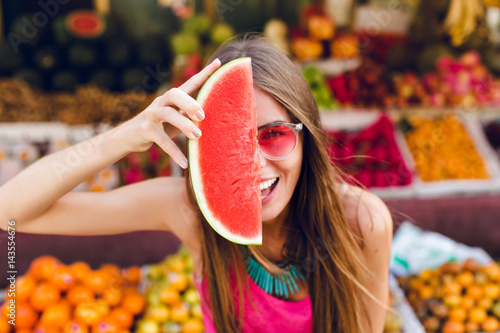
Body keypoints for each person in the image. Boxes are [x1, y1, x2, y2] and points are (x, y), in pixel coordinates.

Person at [0, 35, 393, 333]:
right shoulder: (187, 209)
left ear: (307, 136)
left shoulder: (362, 222)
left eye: (274, 135)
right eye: (230, 142)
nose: (255, 164)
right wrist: (127, 135)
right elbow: (11, 212)